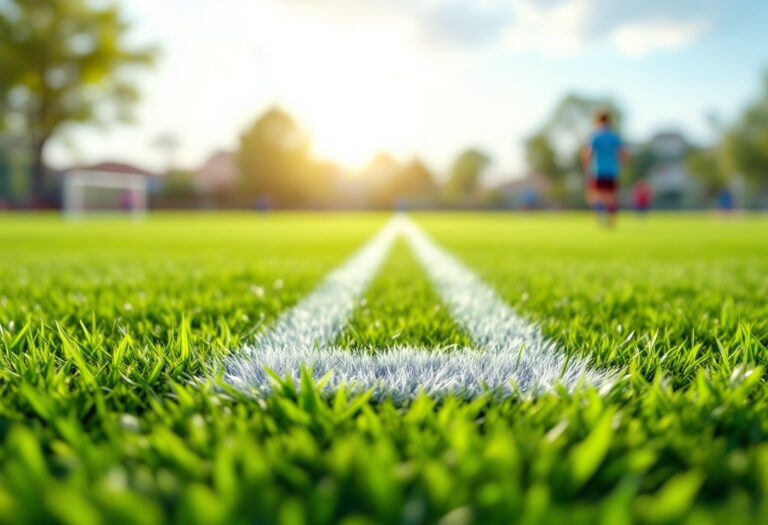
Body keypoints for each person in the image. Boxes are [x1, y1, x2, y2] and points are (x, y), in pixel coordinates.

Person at [582, 111, 628, 226]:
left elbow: (589, 153)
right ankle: (612, 220)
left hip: (598, 171)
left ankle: (600, 217)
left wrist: (585, 163)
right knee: (611, 197)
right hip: (612, 171)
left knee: (597, 196)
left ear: (598, 121)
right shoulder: (614, 136)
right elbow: (623, 154)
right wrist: (622, 164)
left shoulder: (595, 136)